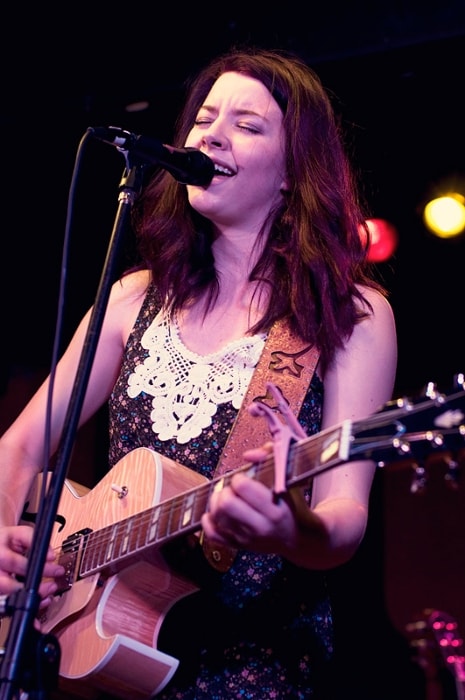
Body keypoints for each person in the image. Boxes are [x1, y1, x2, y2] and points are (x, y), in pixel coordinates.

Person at [0, 46, 397, 699]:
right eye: (205, 118)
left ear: (292, 172)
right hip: (101, 649)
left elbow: (344, 515)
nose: (211, 133)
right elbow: (19, 444)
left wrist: (291, 529)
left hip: (252, 662)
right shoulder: (132, 297)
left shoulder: (348, 314)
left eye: (247, 124)